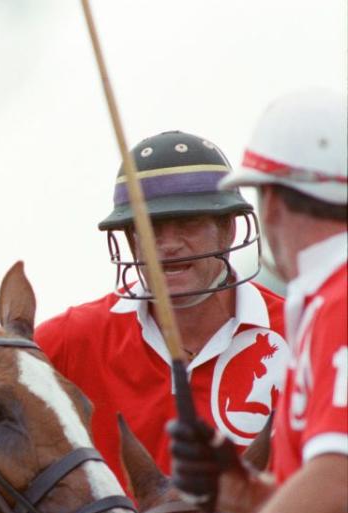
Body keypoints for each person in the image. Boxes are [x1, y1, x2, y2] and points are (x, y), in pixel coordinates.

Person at [118, 89, 348, 513]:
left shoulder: (340, 301)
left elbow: (337, 487)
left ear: (268, 203)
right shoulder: (318, 301)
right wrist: (239, 490)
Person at [34, 130, 288, 485]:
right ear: (129, 239)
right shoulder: (67, 340)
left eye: (188, 223)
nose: (168, 245)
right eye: (149, 228)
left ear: (228, 230)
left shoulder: (301, 333)